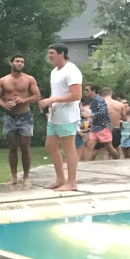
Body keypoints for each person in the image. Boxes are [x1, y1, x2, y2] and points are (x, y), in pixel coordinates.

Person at [38, 43, 83, 191]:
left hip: (67, 115)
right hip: (56, 114)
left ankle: (72, 182)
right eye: (49, 53)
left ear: (61, 54)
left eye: (52, 53)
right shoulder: (54, 72)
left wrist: (53, 100)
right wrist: (48, 104)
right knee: (50, 145)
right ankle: (60, 179)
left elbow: (76, 95)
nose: (49, 56)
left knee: (68, 147)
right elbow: (56, 92)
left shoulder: (71, 70)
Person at [0, 54, 41, 187]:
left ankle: (26, 177)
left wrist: (24, 100)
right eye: (17, 61)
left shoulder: (28, 79)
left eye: (22, 61)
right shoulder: (4, 80)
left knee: (25, 147)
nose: (20, 63)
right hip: (10, 116)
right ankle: (14, 177)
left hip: (25, 115)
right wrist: (4, 105)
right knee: (12, 147)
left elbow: (37, 96)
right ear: (11, 63)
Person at [84, 84, 116, 161]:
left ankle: (119, 160)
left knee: (109, 147)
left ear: (93, 90)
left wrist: (90, 115)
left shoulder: (99, 100)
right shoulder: (94, 100)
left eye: (87, 90)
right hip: (95, 127)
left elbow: (103, 112)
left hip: (103, 127)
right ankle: (86, 164)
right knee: (90, 145)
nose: (85, 92)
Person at [103, 87, 125, 159]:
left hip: (104, 129)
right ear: (111, 94)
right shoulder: (119, 104)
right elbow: (124, 118)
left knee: (105, 150)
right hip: (115, 128)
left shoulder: (99, 104)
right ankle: (119, 163)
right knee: (117, 147)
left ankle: (105, 165)